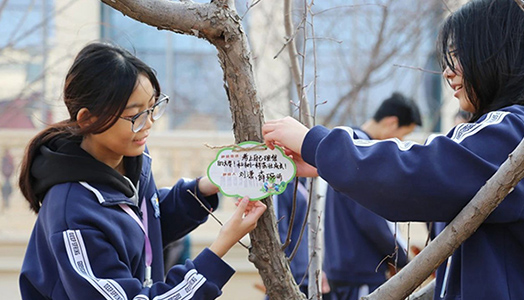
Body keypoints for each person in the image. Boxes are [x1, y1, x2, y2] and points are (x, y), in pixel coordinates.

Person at [262, 0, 524, 299]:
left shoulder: (510, 131)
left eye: (459, 55)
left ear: (498, 55)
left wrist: (315, 144)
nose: (448, 72)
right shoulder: (504, 132)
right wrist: (324, 159)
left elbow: (417, 174)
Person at [18, 42, 266, 300]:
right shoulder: (72, 216)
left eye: (152, 107)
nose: (148, 124)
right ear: (88, 119)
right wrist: (221, 245)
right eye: (135, 115)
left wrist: (211, 183)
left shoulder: (132, 160)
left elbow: (145, 225)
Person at [323, 92, 419, 300]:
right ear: (391, 123)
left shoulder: (347, 145)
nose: (401, 142)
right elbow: (373, 219)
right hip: (362, 273)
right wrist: (403, 259)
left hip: (340, 269)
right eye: (403, 134)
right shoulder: (364, 154)